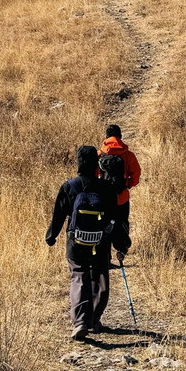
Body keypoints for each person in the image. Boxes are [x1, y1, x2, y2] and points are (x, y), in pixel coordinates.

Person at [45, 145, 130, 340]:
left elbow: (58, 214)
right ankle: (94, 320)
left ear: (78, 162)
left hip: (75, 242)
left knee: (79, 277)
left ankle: (81, 321)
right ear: (97, 165)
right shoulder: (107, 190)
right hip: (100, 242)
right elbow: (115, 219)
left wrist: (51, 235)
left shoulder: (70, 186)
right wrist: (120, 244)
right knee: (100, 277)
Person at [100, 124, 141, 226]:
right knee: (121, 230)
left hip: (102, 199)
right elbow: (136, 174)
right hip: (122, 198)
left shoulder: (99, 155)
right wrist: (127, 185)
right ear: (121, 137)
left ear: (106, 137)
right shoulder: (129, 155)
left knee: (103, 230)